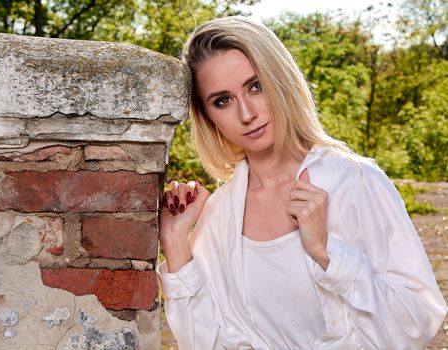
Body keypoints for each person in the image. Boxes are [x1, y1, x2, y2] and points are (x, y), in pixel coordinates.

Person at [157, 16, 447, 350]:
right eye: (223, 100)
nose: (247, 113)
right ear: (208, 117)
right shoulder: (218, 214)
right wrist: (177, 242)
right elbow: (203, 342)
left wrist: (328, 255)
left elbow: (416, 323)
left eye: (256, 86)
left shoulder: (354, 181)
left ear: (280, 80)